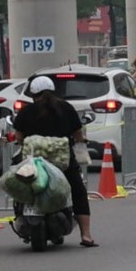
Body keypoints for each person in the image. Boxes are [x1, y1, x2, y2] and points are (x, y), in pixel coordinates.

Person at [11, 76, 98, 247]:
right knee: (78, 191)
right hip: (63, 164)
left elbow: (19, 137)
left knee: (20, 189)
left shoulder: (26, 112)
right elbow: (78, 134)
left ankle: (21, 216)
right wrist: (80, 141)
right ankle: (86, 235)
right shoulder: (66, 108)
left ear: (33, 93)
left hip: (33, 164)